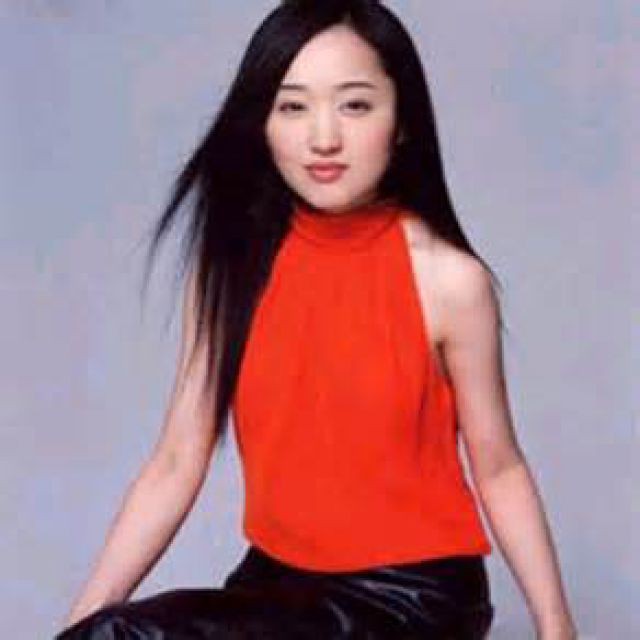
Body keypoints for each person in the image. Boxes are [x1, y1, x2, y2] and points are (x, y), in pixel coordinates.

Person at [54, 1, 578, 638]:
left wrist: (555, 625)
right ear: (262, 123)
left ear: (402, 122)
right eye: (293, 106)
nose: (323, 137)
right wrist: (80, 624)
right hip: (277, 585)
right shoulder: (232, 269)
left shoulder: (449, 281)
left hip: (410, 599)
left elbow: (499, 465)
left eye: (355, 105)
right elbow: (175, 460)